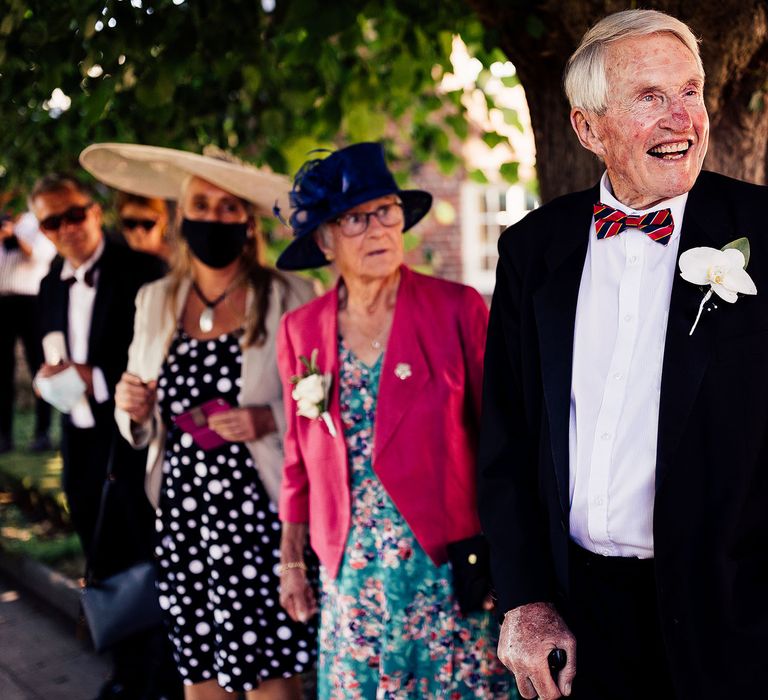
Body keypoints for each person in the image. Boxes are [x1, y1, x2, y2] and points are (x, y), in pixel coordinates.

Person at [478, 8, 768, 700]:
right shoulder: (533, 250)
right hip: (582, 620)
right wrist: (524, 598)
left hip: (737, 615)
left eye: (690, 91)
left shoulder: (762, 232)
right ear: (587, 127)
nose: (681, 119)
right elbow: (508, 438)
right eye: (650, 97)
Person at [275, 142, 516, 698]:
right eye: (354, 218)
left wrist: (510, 566)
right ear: (325, 240)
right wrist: (292, 561)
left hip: (446, 570)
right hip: (350, 576)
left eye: (386, 211)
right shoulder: (301, 330)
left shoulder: (456, 308)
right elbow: (297, 462)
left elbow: (501, 448)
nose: (377, 229)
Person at [85, 143, 318, 699]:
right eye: (201, 205)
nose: (214, 217)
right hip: (183, 517)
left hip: (261, 517)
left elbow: (318, 405)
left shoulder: (289, 294)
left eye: (228, 207)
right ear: (182, 215)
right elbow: (136, 415)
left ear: (248, 221)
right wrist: (131, 407)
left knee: (271, 679)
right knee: (200, 676)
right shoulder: (155, 299)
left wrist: (268, 416)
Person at [30, 174, 179, 700]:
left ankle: (166, 678)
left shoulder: (144, 272)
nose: (68, 228)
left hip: (136, 441)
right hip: (80, 440)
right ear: (44, 229)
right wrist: (46, 380)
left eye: (76, 214)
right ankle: (126, 673)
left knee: (150, 557)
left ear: (95, 211)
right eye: (53, 221)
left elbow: (163, 357)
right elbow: (41, 352)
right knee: (104, 558)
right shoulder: (50, 282)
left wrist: (94, 375)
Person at [0, 208, 56, 453]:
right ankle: (4, 436)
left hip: (32, 301)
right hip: (3, 301)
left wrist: (14, 236)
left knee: (39, 367)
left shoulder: (36, 223)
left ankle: (43, 433)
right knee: (2, 372)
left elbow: (40, 256)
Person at [116, 191, 173, 264]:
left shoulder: (180, 263)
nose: (139, 231)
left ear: (163, 220)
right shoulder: (115, 261)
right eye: (130, 223)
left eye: (148, 224)